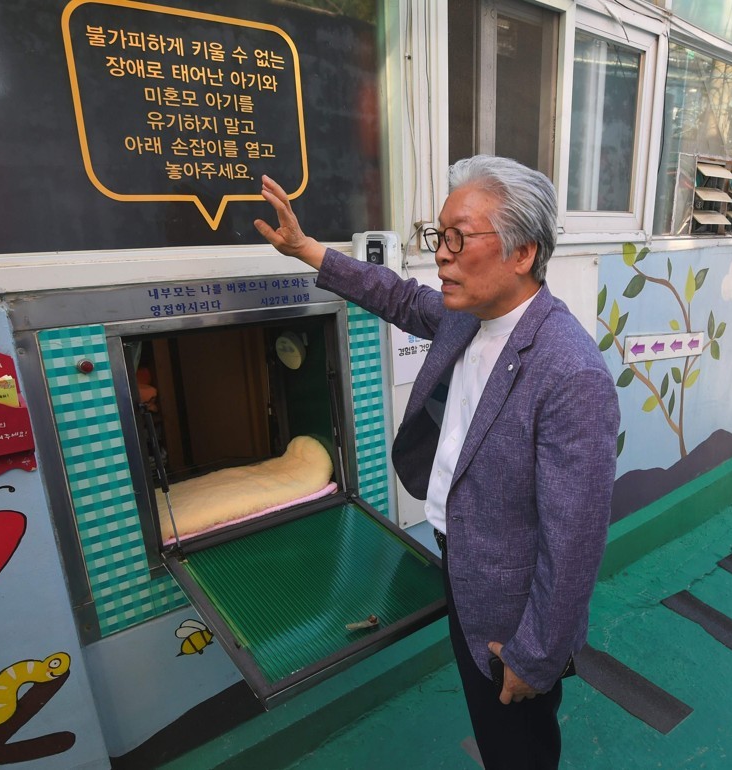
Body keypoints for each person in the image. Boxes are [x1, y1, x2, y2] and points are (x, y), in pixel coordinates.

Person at [255, 155, 619, 769]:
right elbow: (397, 295)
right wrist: (307, 249)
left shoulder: (570, 373)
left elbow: (574, 542)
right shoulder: (467, 317)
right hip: (462, 562)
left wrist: (536, 655)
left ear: (522, 253)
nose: (441, 256)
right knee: (490, 721)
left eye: (458, 238)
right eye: (438, 237)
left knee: (518, 744)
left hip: (514, 610)